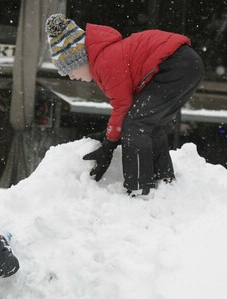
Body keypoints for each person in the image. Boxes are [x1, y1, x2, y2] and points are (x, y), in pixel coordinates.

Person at [45, 14, 204, 196]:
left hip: (176, 65)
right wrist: (108, 135)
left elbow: (123, 105)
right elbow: (127, 108)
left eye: (69, 70)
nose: (72, 77)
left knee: (136, 125)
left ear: (79, 58)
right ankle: (164, 182)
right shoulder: (107, 55)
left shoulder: (105, 61)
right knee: (147, 123)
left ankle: (139, 188)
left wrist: (109, 145)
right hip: (186, 64)